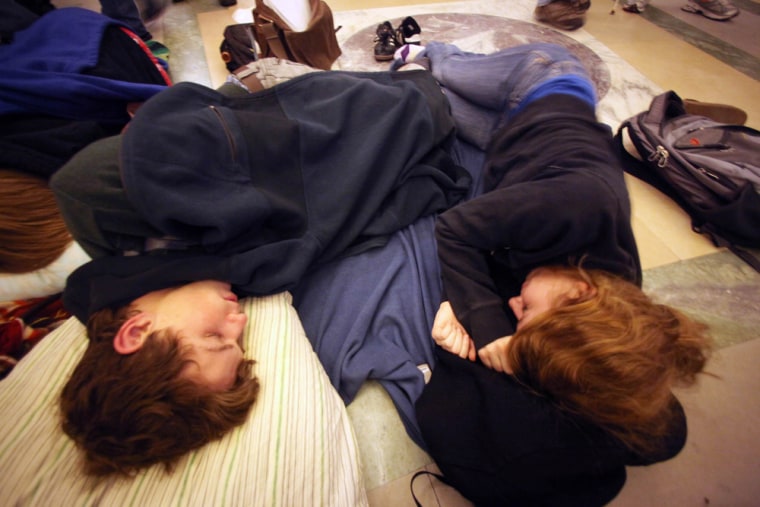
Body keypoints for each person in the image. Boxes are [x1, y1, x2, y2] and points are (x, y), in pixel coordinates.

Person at [50, 58, 471, 476]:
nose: (237, 323)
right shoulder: (217, 278)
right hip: (405, 163)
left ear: (135, 330)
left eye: (214, 336)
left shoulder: (100, 200)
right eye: (237, 342)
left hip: (314, 106)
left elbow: (264, 132)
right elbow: (321, 235)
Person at [392, 42, 713, 505]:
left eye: (519, 314)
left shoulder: (609, 302)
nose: (514, 305)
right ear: (581, 292)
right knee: (434, 66)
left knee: (418, 92)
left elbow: (658, 427)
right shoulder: (572, 206)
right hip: (542, 82)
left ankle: (421, 69)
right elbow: (455, 230)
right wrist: (488, 329)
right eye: (526, 310)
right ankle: (427, 46)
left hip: (510, 137)